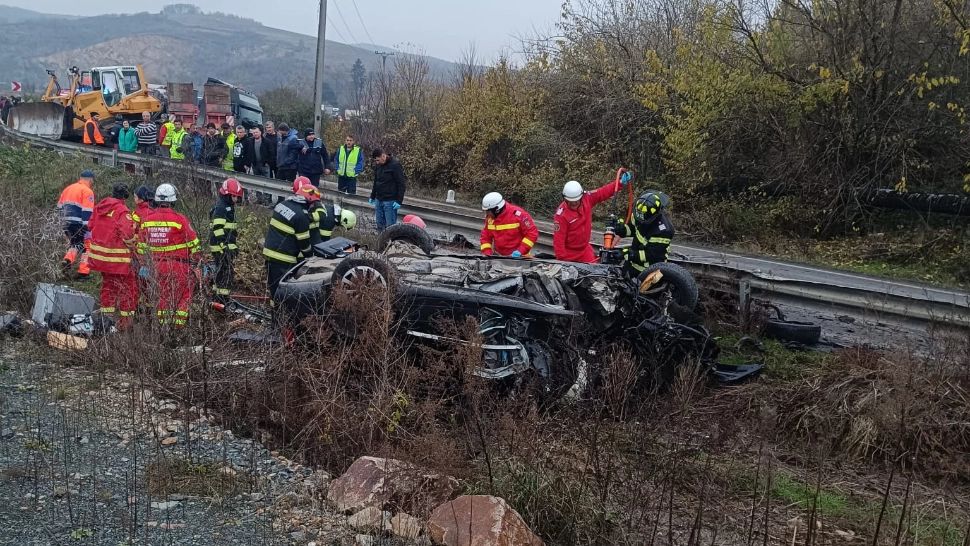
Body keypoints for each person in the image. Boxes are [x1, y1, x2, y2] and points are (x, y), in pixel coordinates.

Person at [139, 184, 201, 327]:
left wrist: (144, 264)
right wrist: (198, 260)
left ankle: (164, 328)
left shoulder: (147, 220)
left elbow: (141, 247)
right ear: (173, 200)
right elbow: (194, 243)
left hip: (156, 266)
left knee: (162, 297)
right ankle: (177, 329)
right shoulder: (180, 219)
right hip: (178, 266)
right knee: (183, 296)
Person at [87, 184, 138, 329]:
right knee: (127, 288)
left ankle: (105, 319)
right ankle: (125, 323)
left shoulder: (100, 206)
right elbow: (127, 234)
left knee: (108, 286)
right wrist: (134, 243)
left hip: (100, 259)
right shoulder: (123, 211)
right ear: (125, 196)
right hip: (118, 260)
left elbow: (90, 226)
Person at [552, 173, 631, 263]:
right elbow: (558, 241)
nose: (573, 204)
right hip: (569, 254)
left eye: (576, 201)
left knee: (594, 273)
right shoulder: (561, 215)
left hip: (584, 251)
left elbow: (602, 192)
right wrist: (562, 261)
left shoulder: (587, 198)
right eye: (570, 202)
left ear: (581, 197)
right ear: (565, 199)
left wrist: (620, 182)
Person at [262, 180, 318, 297]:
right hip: (284, 259)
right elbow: (304, 243)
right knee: (284, 293)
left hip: (269, 253)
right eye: (313, 203)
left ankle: (274, 312)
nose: (313, 206)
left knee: (274, 289)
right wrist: (311, 257)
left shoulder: (282, 205)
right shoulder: (301, 216)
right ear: (308, 200)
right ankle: (281, 314)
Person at [614, 190, 675, 275]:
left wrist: (628, 254)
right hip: (632, 263)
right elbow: (632, 229)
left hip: (648, 270)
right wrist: (621, 229)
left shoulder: (663, 231)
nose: (639, 220)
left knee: (637, 288)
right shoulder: (641, 214)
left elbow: (652, 255)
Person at [209, 178, 243, 304]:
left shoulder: (227, 206)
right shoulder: (222, 207)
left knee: (221, 272)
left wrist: (233, 247)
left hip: (223, 246)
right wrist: (224, 246)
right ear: (227, 194)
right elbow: (217, 229)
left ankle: (217, 296)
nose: (236, 199)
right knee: (225, 274)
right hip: (220, 247)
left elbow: (230, 232)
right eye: (234, 196)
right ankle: (222, 299)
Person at [56, 170, 97, 278]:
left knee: (76, 243)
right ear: (91, 179)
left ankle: (67, 260)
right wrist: (87, 228)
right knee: (87, 246)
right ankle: (83, 272)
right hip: (79, 223)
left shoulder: (68, 189)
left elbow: (59, 207)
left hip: (65, 223)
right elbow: (87, 211)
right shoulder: (87, 191)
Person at [479, 192, 539, 258]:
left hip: (520, 257)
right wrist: (487, 253)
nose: (487, 214)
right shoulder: (490, 218)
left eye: (488, 211)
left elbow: (532, 233)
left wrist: (520, 251)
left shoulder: (519, 215)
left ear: (497, 210)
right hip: (499, 257)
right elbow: (485, 237)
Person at [368, 148, 407, 232]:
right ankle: (381, 243)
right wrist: (372, 195)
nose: (377, 163)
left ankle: (390, 244)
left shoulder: (395, 165)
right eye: (376, 161)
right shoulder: (378, 165)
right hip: (379, 200)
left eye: (378, 160)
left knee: (390, 228)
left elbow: (401, 184)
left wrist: (399, 201)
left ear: (383, 156)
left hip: (390, 201)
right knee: (379, 225)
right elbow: (376, 181)